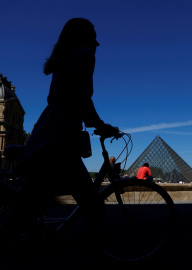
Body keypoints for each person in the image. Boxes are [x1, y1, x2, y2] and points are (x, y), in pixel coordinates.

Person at [12, 18, 118, 262]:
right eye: (93, 34)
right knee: (90, 206)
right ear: (84, 36)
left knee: (30, 208)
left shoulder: (63, 59)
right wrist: (101, 125)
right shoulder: (84, 53)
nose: (97, 42)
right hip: (60, 138)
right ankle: (95, 258)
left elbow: (67, 97)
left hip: (51, 130)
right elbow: (82, 96)